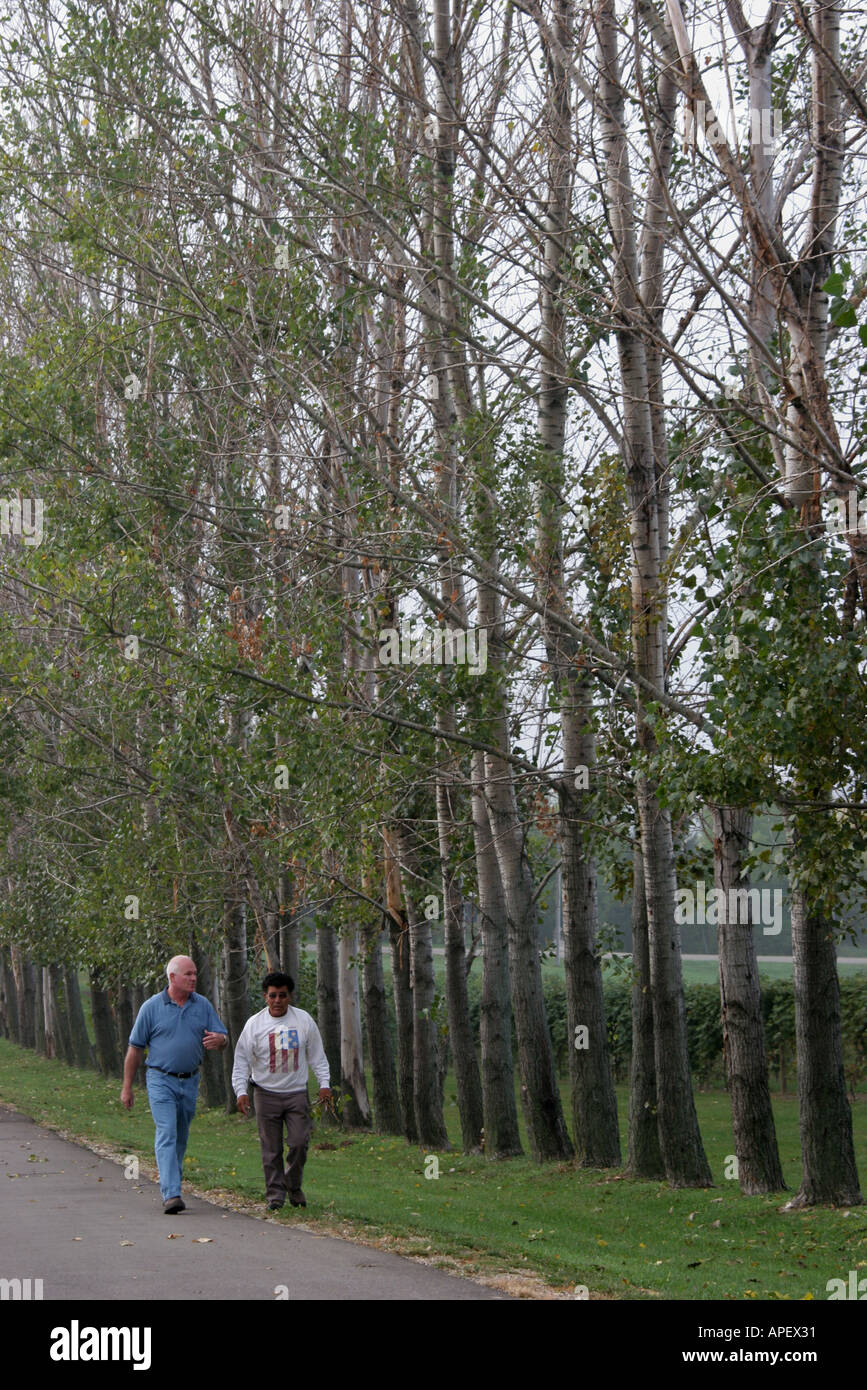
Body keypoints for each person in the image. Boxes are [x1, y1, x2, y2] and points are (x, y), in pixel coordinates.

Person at [121, 955, 227, 1215]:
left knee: (180, 1136)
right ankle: (171, 1194)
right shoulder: (151, 1007)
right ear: (172, 978)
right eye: (188, 974)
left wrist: (220, 1040)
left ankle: (172, 1185)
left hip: (190, 1081)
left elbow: (222, 1036)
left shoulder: (202, 1005)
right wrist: (127, 1086)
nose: (193, 979)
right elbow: (135, 1049)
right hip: (160, 1079)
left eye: (194, 974)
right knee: (167, 1132)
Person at [232, 971, 331, 1210]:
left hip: (296, 1092)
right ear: (265, 997)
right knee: (271, 1148)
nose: (278, 1001)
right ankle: (275, 1196)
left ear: (290, 996)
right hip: (265, 1093)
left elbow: (317, 1056)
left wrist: (325, 1084)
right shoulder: (254, 1025)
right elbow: (242, 1060)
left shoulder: (304, 1021)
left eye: (283, 996)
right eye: (273, 995)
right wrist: (240, 1091)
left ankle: (293, 1185)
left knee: (299, 1142)